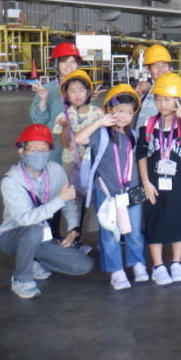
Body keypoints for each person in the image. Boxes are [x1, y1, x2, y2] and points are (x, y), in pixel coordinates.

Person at [0, 124, 94, 299]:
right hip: (13, 236)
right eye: (33, 149)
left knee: (83, 265)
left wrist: (74, 229)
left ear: (50, 151)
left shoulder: (56, 170)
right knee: (33, 230)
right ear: (22, 151)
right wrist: (59, 200)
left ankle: (33, 259)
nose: (39, 154)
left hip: (43, 237)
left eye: (44, 149)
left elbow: (69, 204)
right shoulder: (11, 181)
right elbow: (26, 219)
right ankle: (21, 279)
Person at [74, 84, 148, 290]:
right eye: (119, 111)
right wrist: (99, 123)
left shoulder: (134, 136)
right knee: (109, 232)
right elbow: (78, 139)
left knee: (134, 231)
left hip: (131, 191)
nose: (124, 116)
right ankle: (116, 269)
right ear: (109, 110)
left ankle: (137, 263)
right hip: (106, 193)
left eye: (129, 112)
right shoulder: (100, 134)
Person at [137, 72, 181, 286]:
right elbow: (141, 156)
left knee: (178, 218)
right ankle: (158, 265)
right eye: (159, 99)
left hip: (177, 183)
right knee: (154, 219)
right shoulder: (148, 125)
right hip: (153, 183)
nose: (163, 104)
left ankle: (177, 262)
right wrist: (145, 182)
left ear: (178, 100)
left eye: (168, 99)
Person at [29, 42, 82, 239]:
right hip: (56, 152)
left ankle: (76, 236)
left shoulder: (83, 87)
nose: (69, 66)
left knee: (78, 195)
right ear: (56, 65)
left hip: (79, 153)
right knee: (54, 194)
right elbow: (38, 120)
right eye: (64, 62)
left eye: (73, 62)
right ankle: (53, 237)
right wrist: (42, 100)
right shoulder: (50, 89)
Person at [53, 70, 104, 247]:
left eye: (81, 89)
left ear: (89, 92)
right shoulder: (63, 116)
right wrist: (66, 127)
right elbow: (65, 143)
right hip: (71, 162)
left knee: (94, 199)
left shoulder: (98, 114)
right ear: (66, 94)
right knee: (72, 200)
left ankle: (102, 235)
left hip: (93, 162)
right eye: (72, 91)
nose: (77, 94)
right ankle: (74, 233)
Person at [135, 44, 173, 129]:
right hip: (139, 137)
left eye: (164, 65)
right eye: (156, 66)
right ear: (149, 69)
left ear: (169, 68)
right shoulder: (143, 88)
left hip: (161, 139)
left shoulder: (175, 88)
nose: (160, 70)